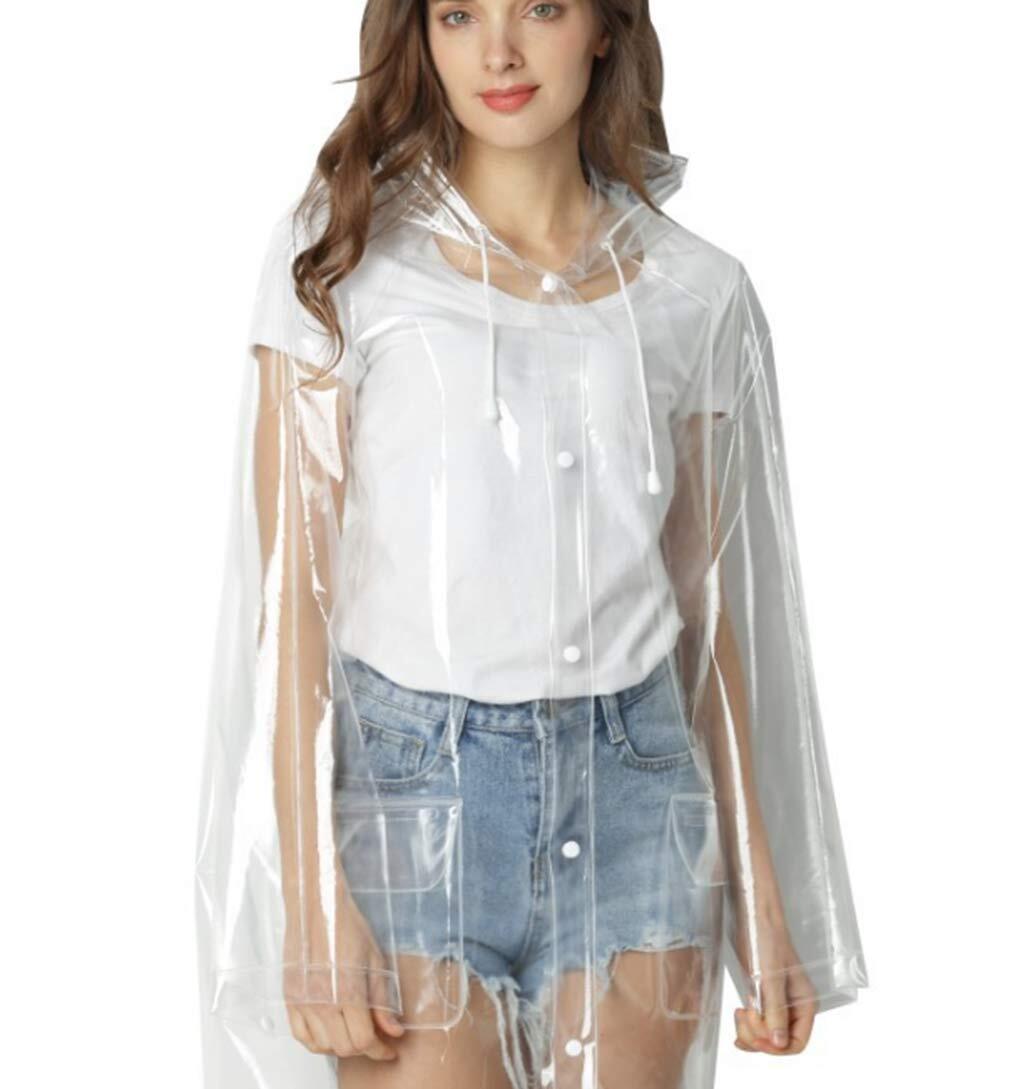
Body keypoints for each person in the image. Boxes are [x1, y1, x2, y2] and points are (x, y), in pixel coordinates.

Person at [193, 2, 869, 1087]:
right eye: (459, 15)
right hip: (416, 803)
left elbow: (711, 611)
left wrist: (768, 902)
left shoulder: (697, 291)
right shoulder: (344, 261)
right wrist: (313, 899)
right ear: (422, 36)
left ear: (603, 26)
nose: (499, 53)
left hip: (638, 799)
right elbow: (295, 601)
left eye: (541, 7)